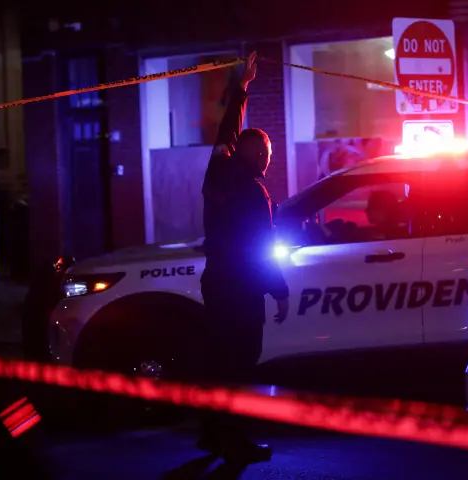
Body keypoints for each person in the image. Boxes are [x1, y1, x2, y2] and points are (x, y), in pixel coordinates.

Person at [196, 51, 290, 464]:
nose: (269, 159)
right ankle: (235, 442)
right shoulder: (253, 193)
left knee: (218, 362)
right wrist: (279, 290)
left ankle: (210, 434)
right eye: (267, 153)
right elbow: (260, 249)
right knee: (239, 364)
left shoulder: (217, 171)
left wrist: (242, 88)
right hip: (242, 292)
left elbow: (227, 132)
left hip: (217, 284)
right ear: (261, 157)